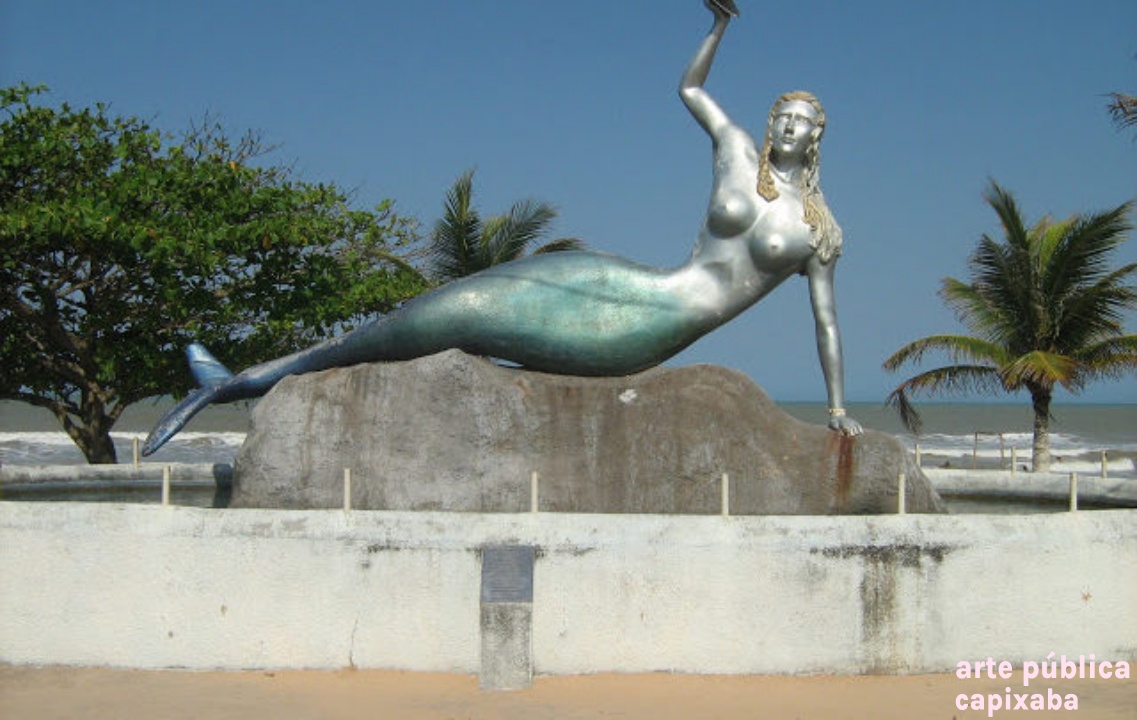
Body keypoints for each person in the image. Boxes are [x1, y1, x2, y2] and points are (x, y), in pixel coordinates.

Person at [142, 2, 861, 456]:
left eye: (803, 122)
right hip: (620, 278)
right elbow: (690, 90)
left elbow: (824, 323)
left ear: (819, 135)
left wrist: (834, 408)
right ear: (772, 124)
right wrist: (716, 28)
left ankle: (233, 386)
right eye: (782, 117)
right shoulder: (736, 154)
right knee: (427, 314)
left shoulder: (816, 230)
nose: (789, 128)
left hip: (645, 331)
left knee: (455, 317)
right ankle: (239, 382)